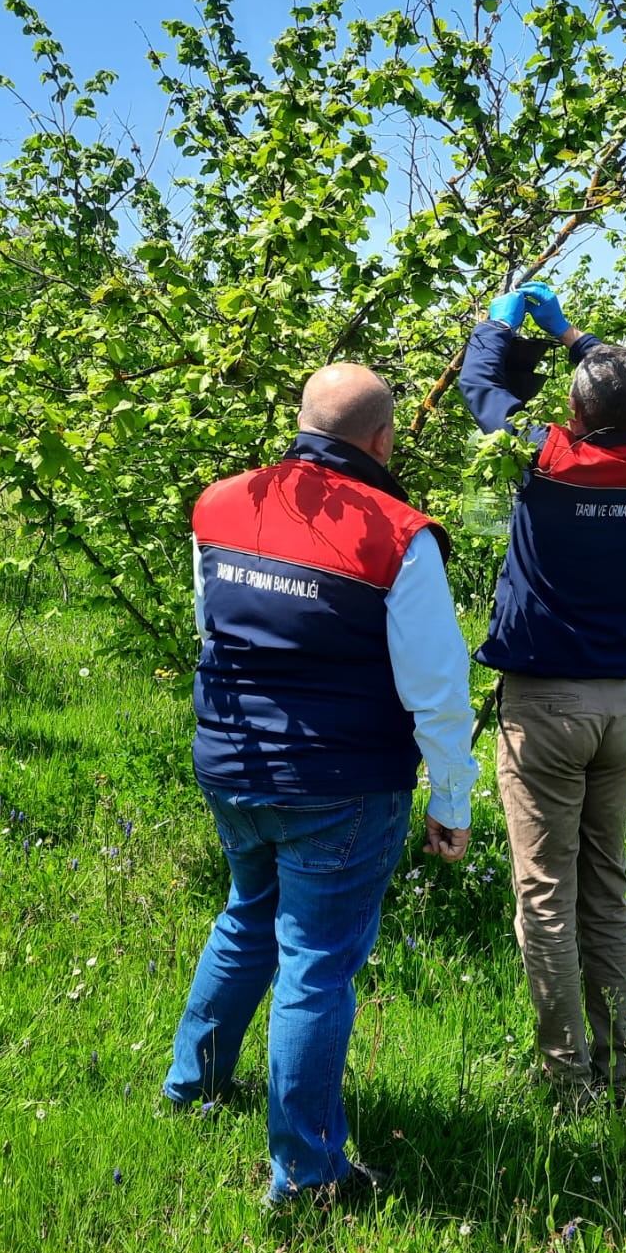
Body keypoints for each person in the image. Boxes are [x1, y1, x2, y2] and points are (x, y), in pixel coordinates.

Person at [163, 363, 477, 1206]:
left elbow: (213, 627)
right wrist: (452, 800)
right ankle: (305, 1176)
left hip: (231, 767)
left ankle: (192, 1089)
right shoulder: (397, 533)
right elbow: (437, 686)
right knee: (317, 967)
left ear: (302, 420)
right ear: (382, 440)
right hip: (340, 784)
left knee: (246, 917)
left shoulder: (220, 502)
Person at [457, 281, 626, 1098]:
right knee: (607, 887)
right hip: (618, 710)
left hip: (546, 705)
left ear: (575, 414)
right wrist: (580, 339)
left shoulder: (545, 457)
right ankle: (623, 1065)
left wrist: (502, 326)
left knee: (546, 896)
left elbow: (480, 390)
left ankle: (566, 1077)